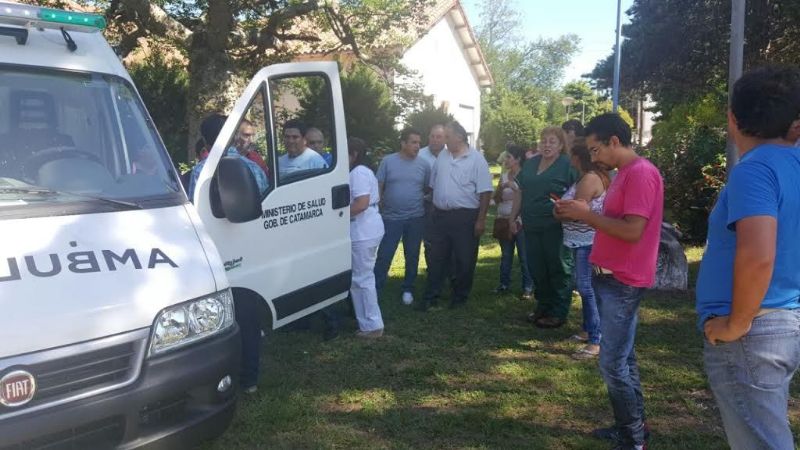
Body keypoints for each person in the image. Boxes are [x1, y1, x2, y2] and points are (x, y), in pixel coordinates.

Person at [696, 67, 800, 450]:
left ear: (732, 119)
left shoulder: (754, 170)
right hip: (781, 321)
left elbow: (758, 254)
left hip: (752, 331)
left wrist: (735, 324)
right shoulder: (794, 164)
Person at [555, 113, 663, 450]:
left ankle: (632, 440)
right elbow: (613, 221)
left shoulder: (641, 174)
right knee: (624, 360)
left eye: (596, 148)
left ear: (614, 141)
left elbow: (633, 230)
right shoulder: (623, 174)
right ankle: (632, 428)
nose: (594, 156)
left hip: (623, 280)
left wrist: (586, 215)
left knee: (612, 364)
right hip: (610, 276)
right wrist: (580, 212)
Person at [418, 121, 493, 311]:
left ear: (459, 138)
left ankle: (460, 296)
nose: (444, 141)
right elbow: (433, 184)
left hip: (465, 217)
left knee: (464, 258)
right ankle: (432, 295)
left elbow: (485, 192)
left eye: (448, 137)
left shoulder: (476, 160)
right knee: (436, 257)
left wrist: (481, 219)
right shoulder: (443, 155)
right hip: (440, 215)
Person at [510, 126, 577, 329]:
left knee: (558, 266)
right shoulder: (531, 164)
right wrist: (513, 217)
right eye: (544, 140)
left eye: (552, 141)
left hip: (556, 226)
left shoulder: (567, 164)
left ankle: (559, 310)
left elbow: (578, 190)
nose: (547, 145)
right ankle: (543, 305)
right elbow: (520, 191)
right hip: (531, 224)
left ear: (560, 145)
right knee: (537, 267)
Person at [554, 137, 609, 360]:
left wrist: (558, 210)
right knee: (585, 286)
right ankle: (588, 329)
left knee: (587, 288)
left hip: (587, 241)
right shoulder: (588, 178)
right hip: (582, 239)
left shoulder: (589, 180)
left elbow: (576, 211)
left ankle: (596, 339)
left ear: (577, 157)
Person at [373, 128, 430, 305]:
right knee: (385, 254)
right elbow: (379, 184)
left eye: (419, 143)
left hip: (415, 218)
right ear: (403, 143)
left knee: (412, 254)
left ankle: (408, 288)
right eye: (413, 142)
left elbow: (427, 188)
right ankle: (375, 289)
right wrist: (379, 203)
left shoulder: (424, 165)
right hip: (391, 218)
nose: (417, 146)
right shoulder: (388, 162)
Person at [348, 137, 385, 338]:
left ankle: (372, 325)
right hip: (368, 228)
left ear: (354, 155)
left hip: (363, 230)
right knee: (361, 278)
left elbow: (361, 203)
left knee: (362, 278)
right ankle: (366, 321)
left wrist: (338, 215)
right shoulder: (364, 171)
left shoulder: (358, 173)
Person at [187, 114, 269, 200]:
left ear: (204, 140)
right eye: (247, 135)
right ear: (234, 137)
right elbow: (266, 201)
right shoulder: (253, 167)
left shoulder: (200, 171)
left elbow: (195, 207)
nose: (251, 140)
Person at [492, 145, 533, 300]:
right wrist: (501, 191)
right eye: (506, 157)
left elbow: (528, 198)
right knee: (506, 255)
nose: (506, 160)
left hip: (521, 222)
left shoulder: (526, 176)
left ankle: (528, 287)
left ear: (518, 159)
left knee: (524, 255)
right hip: (504, 221)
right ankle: (503, 284)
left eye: (509, 157)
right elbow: (496, 199)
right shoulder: (503, 176)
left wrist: (514, 188)